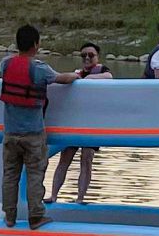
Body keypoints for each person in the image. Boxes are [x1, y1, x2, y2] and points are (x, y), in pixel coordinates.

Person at [0, 24, 76, 228]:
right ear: (35, 44)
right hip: (33, 134)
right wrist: (76, 75)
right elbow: (62, 79)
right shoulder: (39, 68)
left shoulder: (5, 64)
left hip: (10, 133)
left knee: (10, 175)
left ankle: (9, 216)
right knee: (35, 174)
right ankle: (36, 216)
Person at [47, 42, 111, 203]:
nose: (87, 58)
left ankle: (80, 198)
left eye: (91, 55)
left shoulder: (102, 71)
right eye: (84, 55)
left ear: (97, 56)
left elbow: (109, 77)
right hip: (75, 123)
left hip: (92, 125)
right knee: (65, 159)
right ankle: (53, 195)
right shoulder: (76, 74)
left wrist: (87, 79)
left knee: (86, 160)